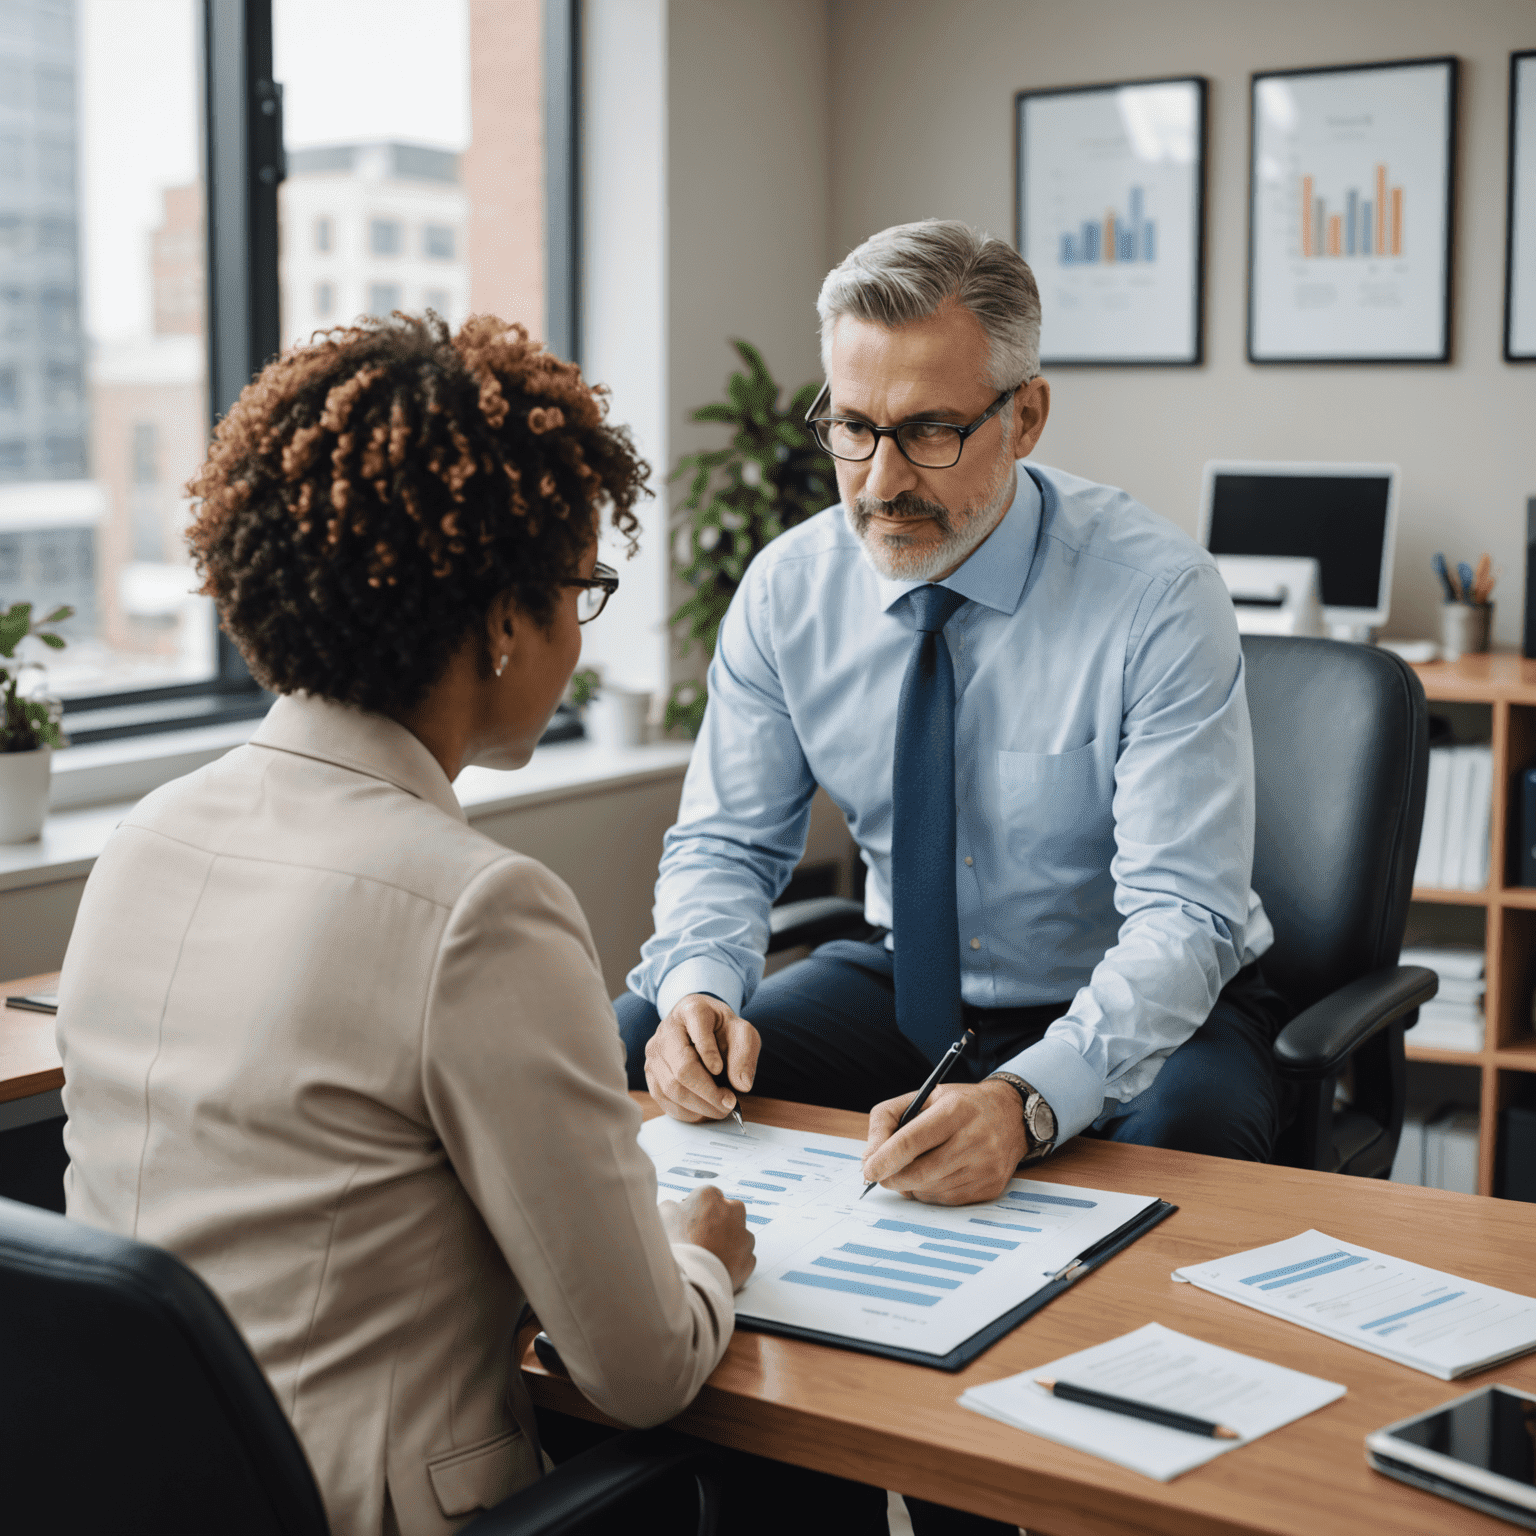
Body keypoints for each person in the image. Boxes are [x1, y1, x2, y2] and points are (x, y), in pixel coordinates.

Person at [54, 314, 755, 1536]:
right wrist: (696, 1252)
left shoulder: (145, 839)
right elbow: (636, 1373)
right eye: (580, 590)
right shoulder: (479, 909)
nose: (582, 633)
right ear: (499, 620)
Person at [617, 219, 1292, 1215]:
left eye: (930, 431)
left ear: (1025, 418)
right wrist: (699, 995)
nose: (882, 482)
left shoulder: (1155, 594)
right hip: (910, 991)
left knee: (1191, 1147)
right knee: (640, 1037)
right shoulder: (787, 591)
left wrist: (1023, 1104)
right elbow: (726, 843)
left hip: (1148, 997)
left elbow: (1183, 920)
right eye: (852, 427)